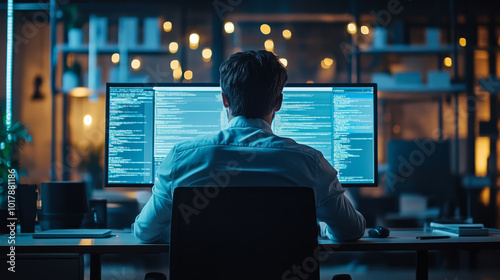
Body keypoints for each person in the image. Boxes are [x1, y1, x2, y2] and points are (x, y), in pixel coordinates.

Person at [133, 50, 365, 243]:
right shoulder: (310, 164)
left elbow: (145, 232)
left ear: (224, 99)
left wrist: (183, 234)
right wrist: (322, 229)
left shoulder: (180, 159)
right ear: (278, 102)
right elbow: (351, 231)